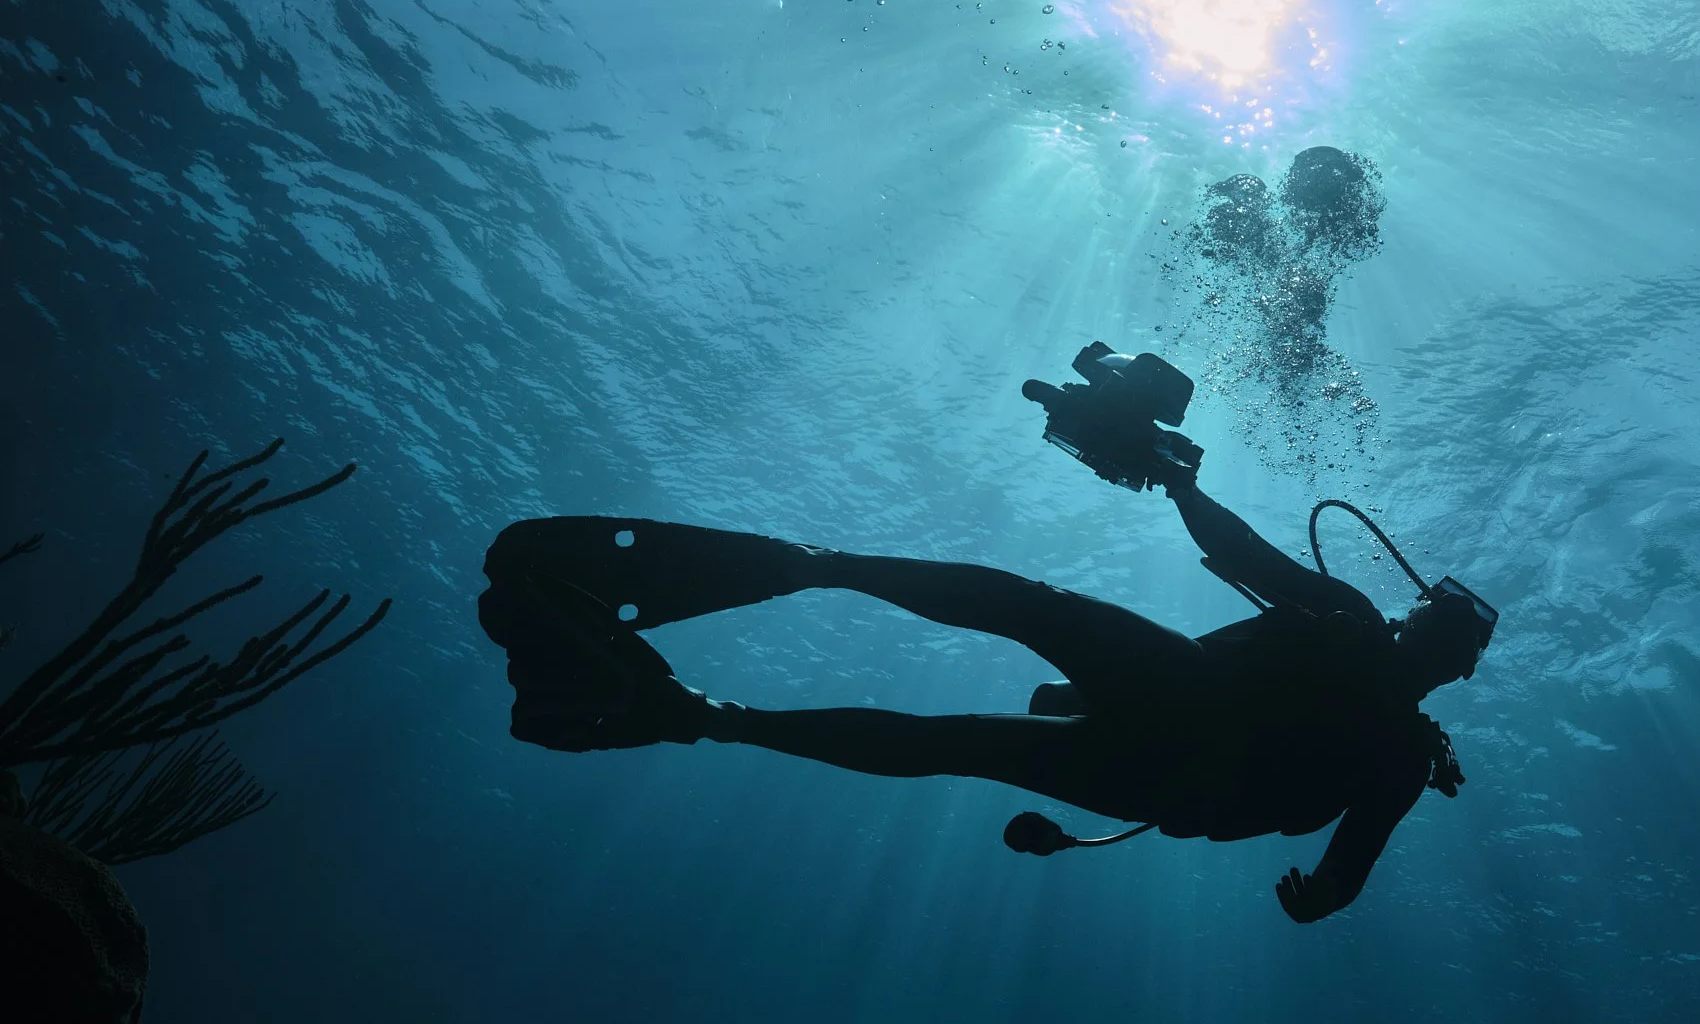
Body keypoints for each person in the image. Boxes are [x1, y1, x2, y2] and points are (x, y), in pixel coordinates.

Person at [477, 349, 1495, 923]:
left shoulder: (1375, 670)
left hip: (1179, 725)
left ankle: (796, 588)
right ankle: (711, 709)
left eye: (1432, 618)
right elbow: (1343, 869)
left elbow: (1245, 557)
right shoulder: (1399, 739)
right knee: (964, 730)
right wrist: (1311, 898)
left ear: (1424, 626)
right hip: (1176, 772)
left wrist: (1178, 483)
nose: (1418, 619)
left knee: (1016, 628)